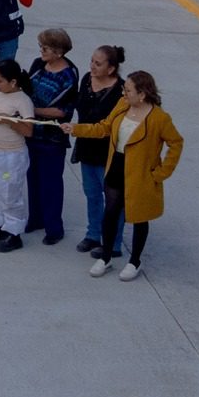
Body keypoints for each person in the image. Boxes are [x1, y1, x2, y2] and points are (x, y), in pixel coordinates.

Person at [67, 70, 184, 282]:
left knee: (140, 217)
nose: (124, 92)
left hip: (141, 174)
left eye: (128, 90)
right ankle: (106, 255)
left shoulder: (159, 118)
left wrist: (162, 172)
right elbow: (104, 128)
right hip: (117, 166)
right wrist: (76, 129)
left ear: (142, 94)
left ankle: (135, 260)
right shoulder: (122, 106)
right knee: (110, 212)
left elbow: (176, 143)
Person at [23, 27, 78, 245]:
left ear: (59, 51)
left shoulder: (69, 75)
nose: (41, 51)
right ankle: (35, 218)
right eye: (41, 47)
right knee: (32, 178)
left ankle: (54, 227)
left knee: (51, 183)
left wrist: (32, 111)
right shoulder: (38, 65)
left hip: (52, 138)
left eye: (45, 48)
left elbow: (62, 111)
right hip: (32, 134)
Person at [70, 44, 127, 256]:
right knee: (92, 194)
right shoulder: (86, 79)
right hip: (87, 146)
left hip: (108, 151)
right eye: (92, 61)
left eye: (98, 63)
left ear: (111, 69)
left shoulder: (121, 91)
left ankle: (113, 243)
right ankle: (93, 234)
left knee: (113, 200)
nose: (92, 66)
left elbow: (111, 126)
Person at [0, 60, 34, 253]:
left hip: (10, 156)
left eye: (0, 81)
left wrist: (10, 122)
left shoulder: (23, 101)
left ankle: (14, 232)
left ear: (13, 82)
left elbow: (28, 130)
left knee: (10, 193)